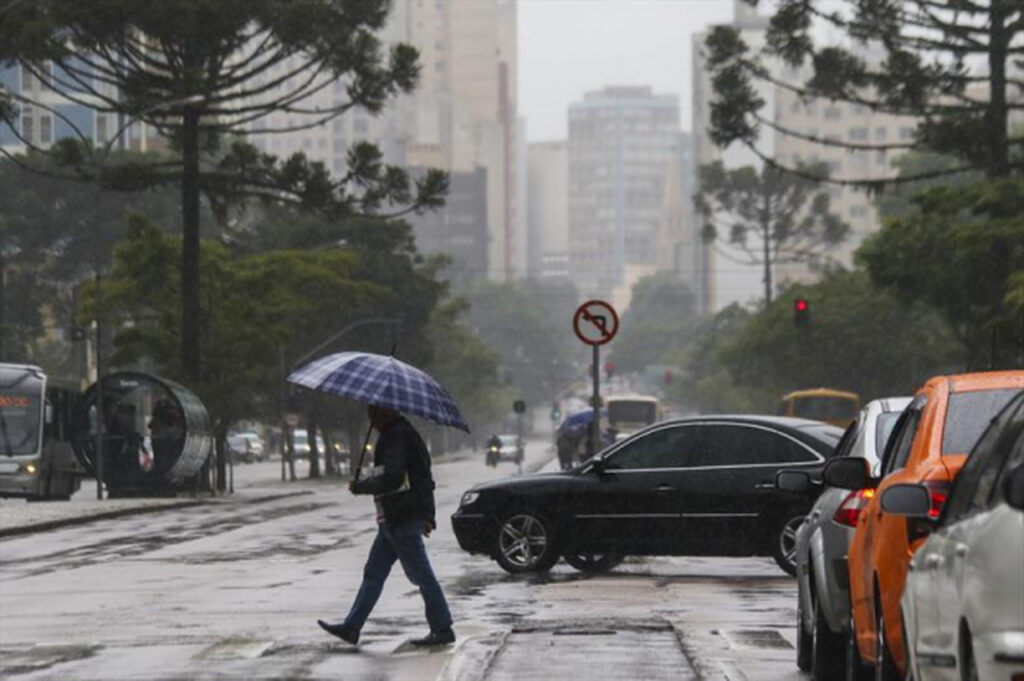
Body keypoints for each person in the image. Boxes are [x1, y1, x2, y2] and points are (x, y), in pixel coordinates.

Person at [317, 405, 454, 647]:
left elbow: (394, 477)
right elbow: (421, 476)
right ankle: (352, 627)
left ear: (386, 413)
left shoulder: (397, 436)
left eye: (373, 415)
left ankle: (442, 627)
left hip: (402, 518)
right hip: (393, 519)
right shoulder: (399, 434)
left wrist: (362, 486)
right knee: (374, 573)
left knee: (421, 575)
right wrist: (427, 514)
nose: (372, 421)